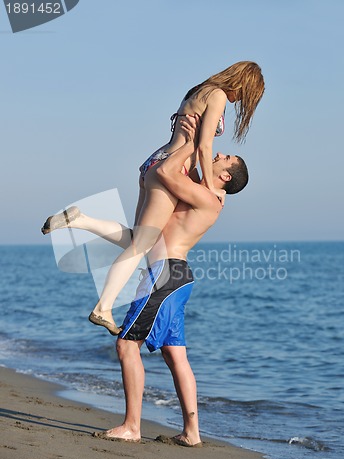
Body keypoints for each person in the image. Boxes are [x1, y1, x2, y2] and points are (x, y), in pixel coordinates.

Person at [42, 117, 249, 446]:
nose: (217, 154)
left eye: (223, 158)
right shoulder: (203, 191)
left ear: (225, 177)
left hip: (164, 277)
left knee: (126, 345)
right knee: (175, 355)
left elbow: (164, 173)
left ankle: (132, 426)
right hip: (174, 277)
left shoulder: (209, 198)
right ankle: (192, 433)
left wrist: (193, 142)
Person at [42, 61, 261, 335]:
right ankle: (103, 307)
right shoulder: (217, 96)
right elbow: (204, 146)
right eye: (246, 95)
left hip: (155, 161)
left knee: (137, 238)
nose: (241, 101)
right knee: (141, 246)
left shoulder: (199, 90)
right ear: (243, 83)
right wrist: (207, 185)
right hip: (170, 168)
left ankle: (80, 219)